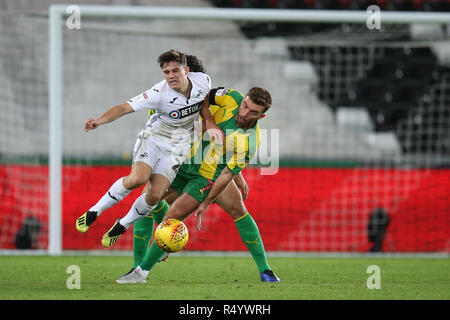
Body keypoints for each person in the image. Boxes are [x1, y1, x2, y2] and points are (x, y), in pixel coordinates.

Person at [112, 86, 280, 283]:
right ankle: (138, 265)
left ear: (261, 117)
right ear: (243, 99)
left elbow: (226, 173)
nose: (244, 113)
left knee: (235, 209)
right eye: (245, 106)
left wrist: (208, 201)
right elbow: (206, 96)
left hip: (210, 176)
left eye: (253, 112)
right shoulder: (230, 97)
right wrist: (208, 119)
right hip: (184, 163)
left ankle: (265, 270)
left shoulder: (250, 142)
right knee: (147, 202)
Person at [75, 50, 221, 247]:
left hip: (178, 146)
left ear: (186, 70)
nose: (170, 76)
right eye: (166, 72)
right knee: (138, 179)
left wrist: (210, 122)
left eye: (174, 70)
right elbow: (125, 107)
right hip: (154, 139)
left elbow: (203, 103)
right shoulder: (159, 93)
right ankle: (94, 212)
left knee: (154, 196)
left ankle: (122, 225)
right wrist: (99, 121)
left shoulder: (204, 81)